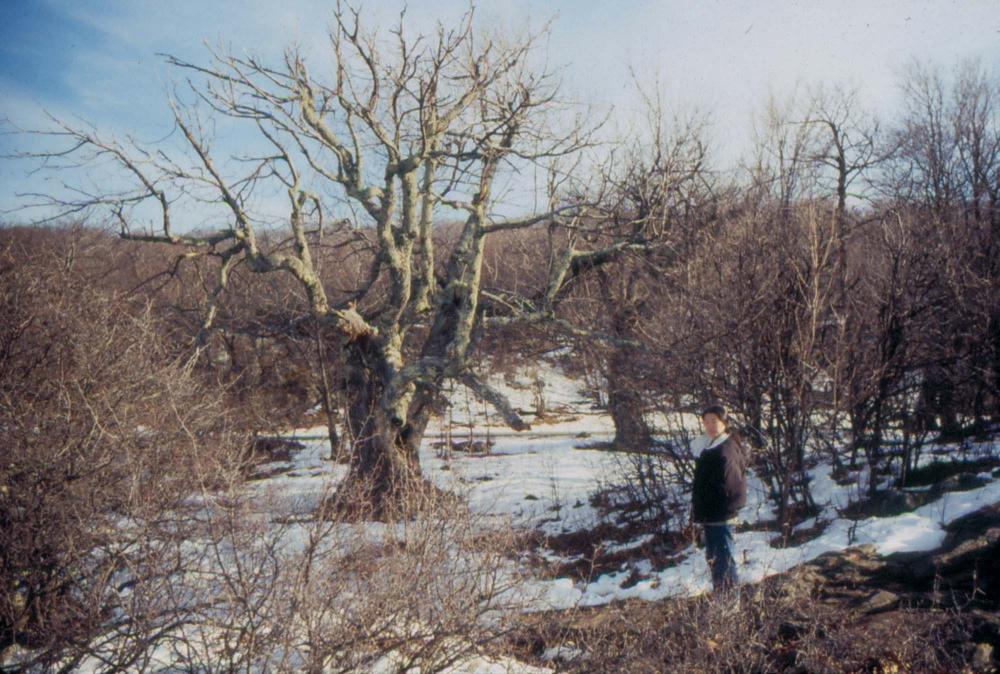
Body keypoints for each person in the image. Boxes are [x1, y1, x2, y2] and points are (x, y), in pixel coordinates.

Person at [691, 404, 747, 592]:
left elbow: (732, 484)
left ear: (724, 422)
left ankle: (729, 605)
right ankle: (722, 603)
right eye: (706, 421)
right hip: (711, 515)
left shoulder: (725, 449)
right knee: (715, 559)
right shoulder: (709, 447)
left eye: (714, 421)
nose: (710, 425)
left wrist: (724, 509)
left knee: (724, 560)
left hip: (721, 514)